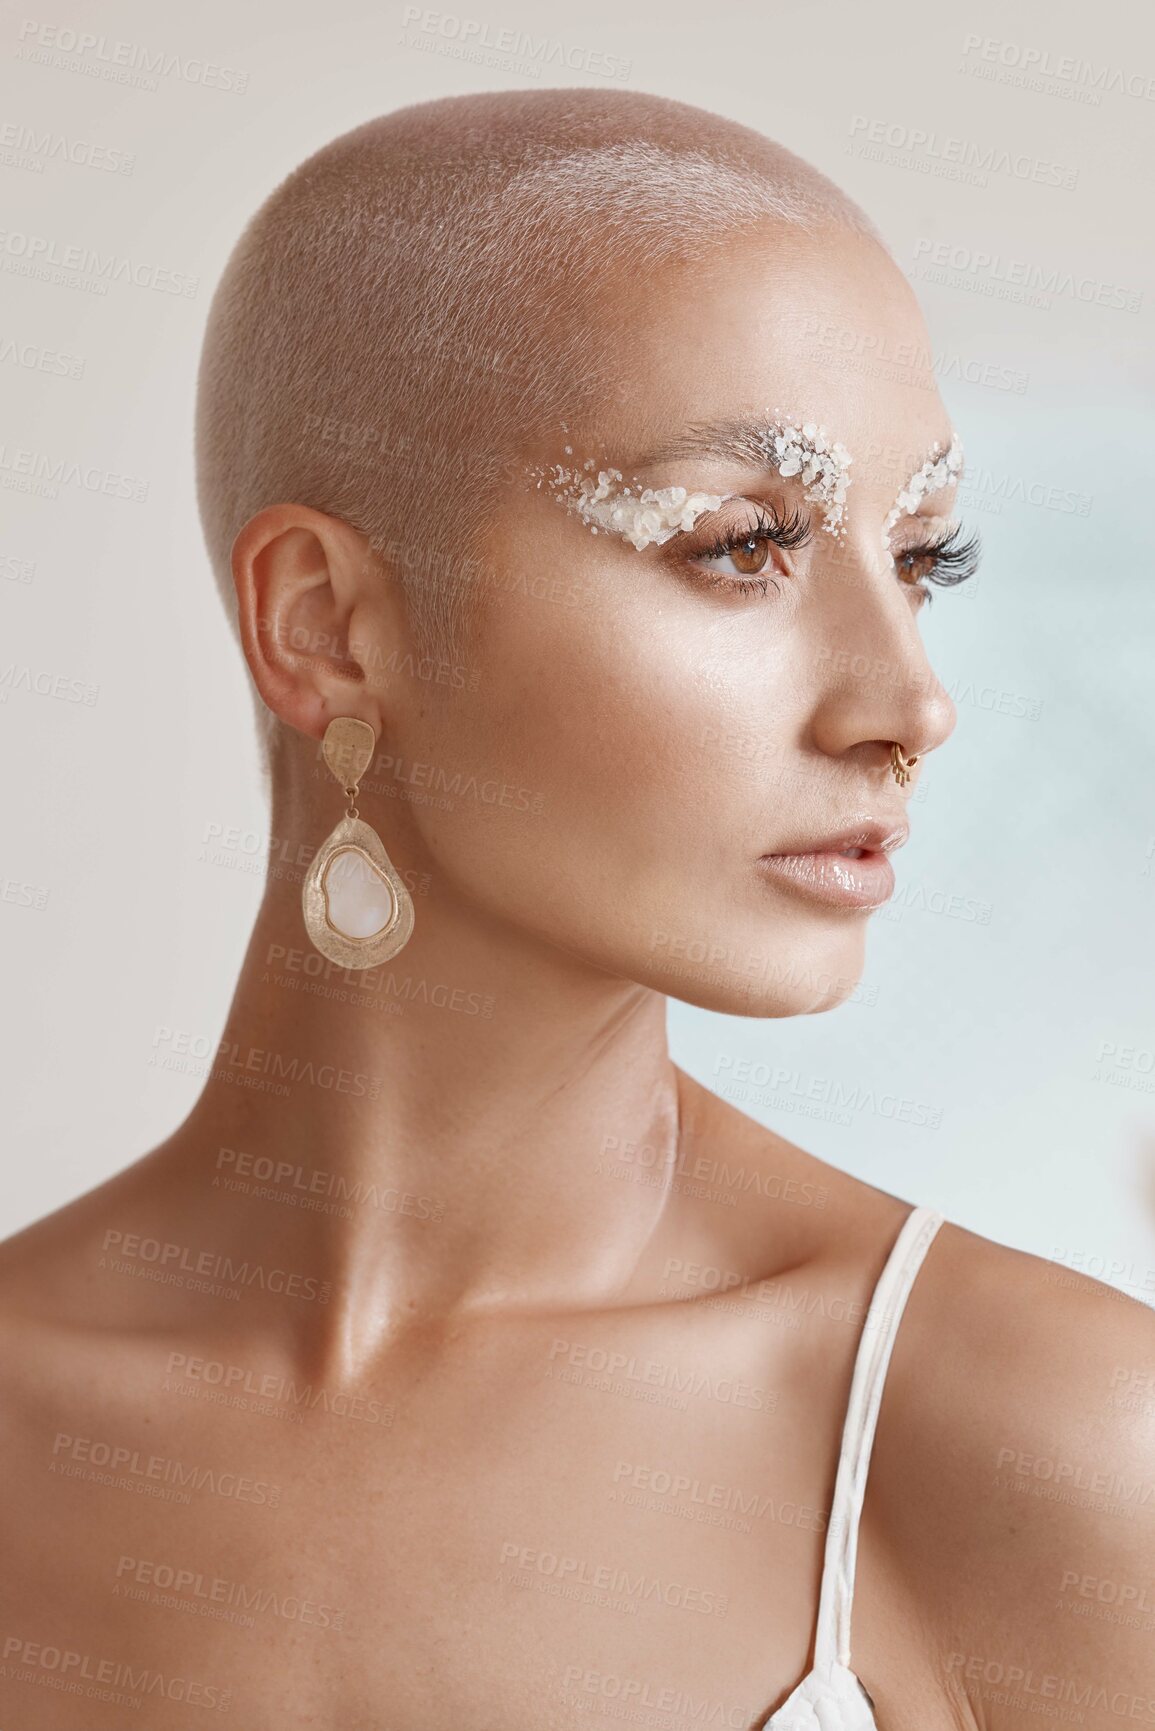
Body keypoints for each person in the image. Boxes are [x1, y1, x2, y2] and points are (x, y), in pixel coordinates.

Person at [1, 87, 1151, 1731]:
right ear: (326, 623)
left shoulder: (1035, 1442)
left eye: (924, 558)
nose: (908, 699)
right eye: (745, 544)